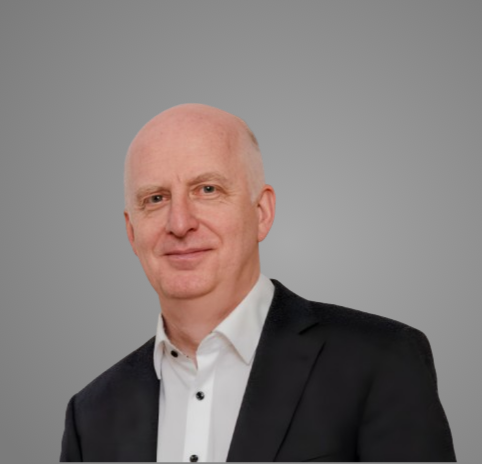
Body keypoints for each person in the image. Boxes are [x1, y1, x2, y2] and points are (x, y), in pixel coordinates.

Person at [60, 104, 456, 462]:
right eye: (155, 199)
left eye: (207, 190)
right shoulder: (90, 415)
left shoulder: (381, 361)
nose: (179, 223)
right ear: (132, 232)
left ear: (262, 213)